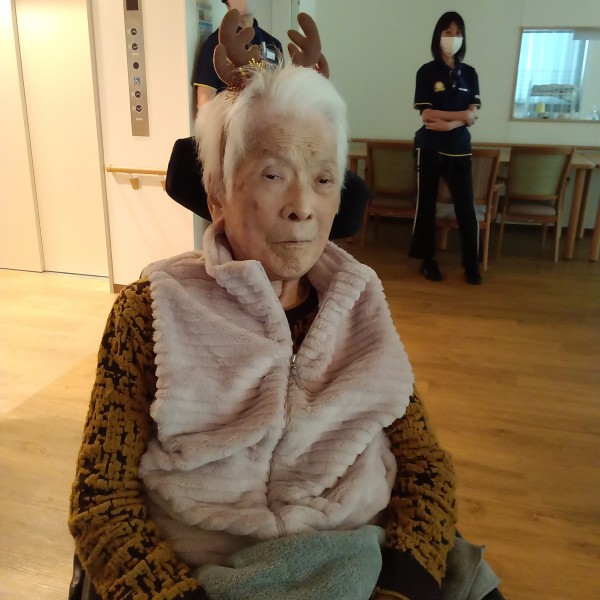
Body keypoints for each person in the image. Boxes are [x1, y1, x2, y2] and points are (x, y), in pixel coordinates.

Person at [69, 11, 503, 600]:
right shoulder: (150, 312)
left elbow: (424, 467)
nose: (303, 205)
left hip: (359, 557)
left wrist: (404, 585)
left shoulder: (360, 303)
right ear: (218, 194)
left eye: (323, 180)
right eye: (274, 174)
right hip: (203, 571)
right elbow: (101, 499)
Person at [409, 11, 483, 285]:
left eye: (457, 33)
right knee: (426, 205)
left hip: (460, 147)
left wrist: (452, 123)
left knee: (466, 208)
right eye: (447, 32)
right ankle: (428, 261)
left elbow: (473, 114)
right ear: (438, 36)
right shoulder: (426, 72)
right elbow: (427, 115)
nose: (453, 38)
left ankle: (471, 264)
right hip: (429, 146)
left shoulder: (470, 74)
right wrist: (463, 117)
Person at [193, 0, 282, 109]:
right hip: (233, 118)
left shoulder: (273, 44)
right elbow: (205, 104)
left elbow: (280, 96)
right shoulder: (214, 45)